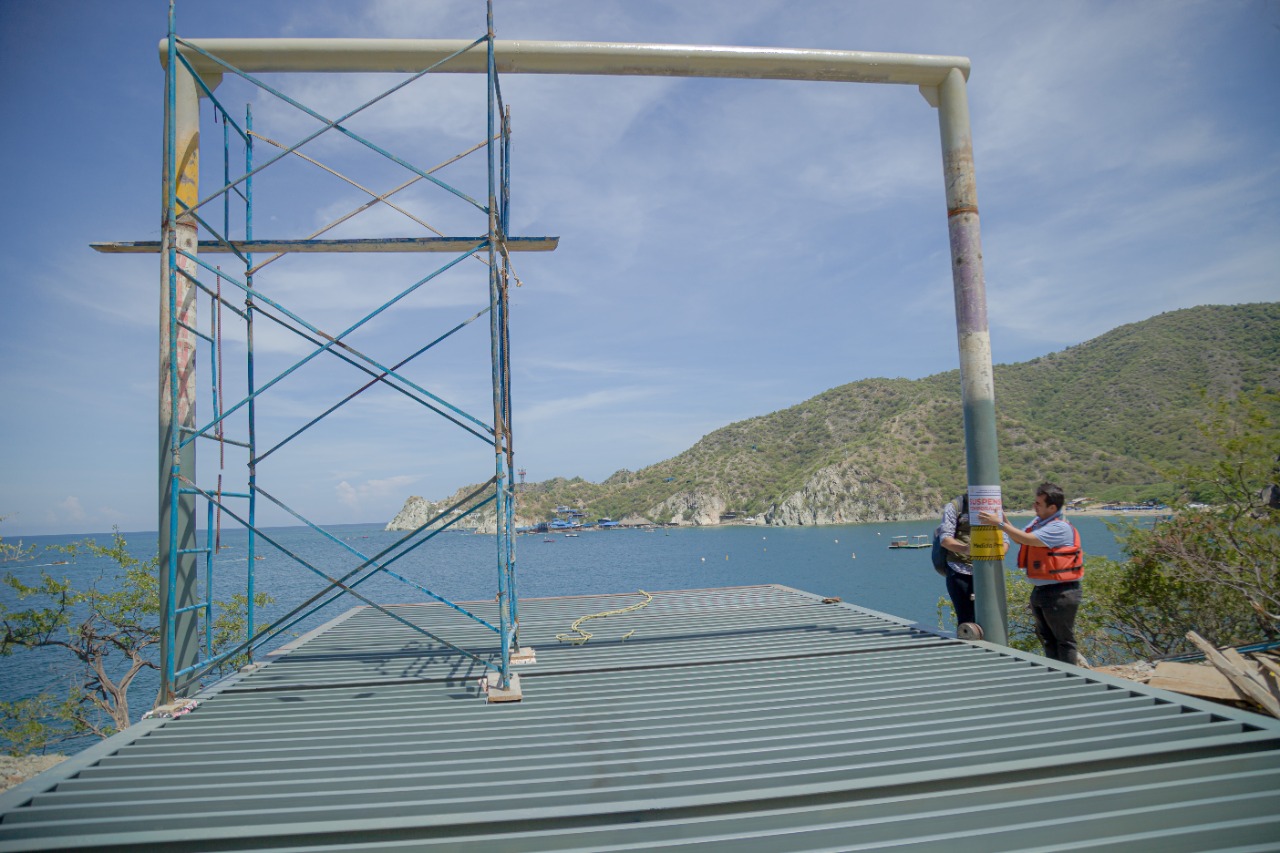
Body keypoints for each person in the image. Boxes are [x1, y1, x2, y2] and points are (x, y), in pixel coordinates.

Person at [978, 482, 1084, 665]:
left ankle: (1070, 678)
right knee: (1048, 638)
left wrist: (1000, 523)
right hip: (1043, 590)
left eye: (1038, 504)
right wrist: (1003, 520)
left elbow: (1027, 539)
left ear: (1052, 507)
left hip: (1061, 592)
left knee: (1063, 639)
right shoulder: (1039, 522)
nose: (1034, 506)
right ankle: (1055, 674)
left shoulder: (1059, 527)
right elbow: (1020, 537)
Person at [937, 493, 975, 626]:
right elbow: (945, 539)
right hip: (960, 570)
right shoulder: (956, 506)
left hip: (988, 572)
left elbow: (1004, 537)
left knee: (990, 621)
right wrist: (965, 549)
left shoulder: (992, 505)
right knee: (967, 621)